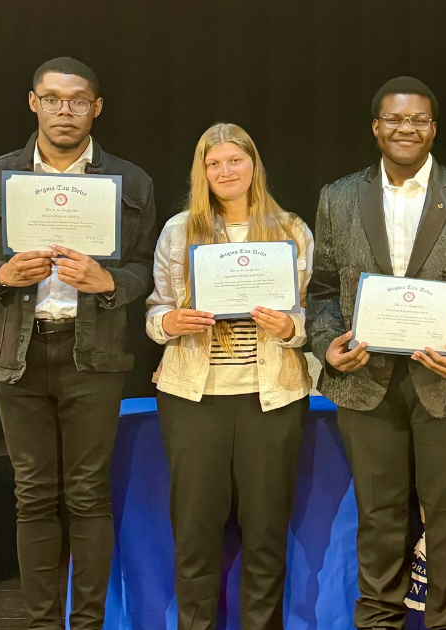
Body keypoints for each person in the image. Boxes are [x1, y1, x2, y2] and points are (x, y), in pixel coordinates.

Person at [0, 57, 156, 630]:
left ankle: (86, 623)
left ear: (96, 108)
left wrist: (112, 281)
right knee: (33, 495)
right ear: (33, 103)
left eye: (77, 100)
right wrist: (0, 276)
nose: (64, 110)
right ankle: (44, 623)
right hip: (16, 355)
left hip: (93, 353)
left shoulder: (131, 181)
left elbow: (148, 269)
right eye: (52, 98)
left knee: (88, 495)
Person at [307, 76, 446, 630]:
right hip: (364, 381)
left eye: (418, 120)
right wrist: (330, 345)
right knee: (378, 519)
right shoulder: (339, 196)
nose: (407, 129)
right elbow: (322, 289)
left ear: (434, 129)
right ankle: (378, 622)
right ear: (376, 127)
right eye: (395, 120)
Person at [144, 123, 312, 630]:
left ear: (253, 165)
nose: (225, 171)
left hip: (272, 395)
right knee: (195, 533)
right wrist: (170, 323)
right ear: (202, 172)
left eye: (234, 161)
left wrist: (289, 326)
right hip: (194, 398)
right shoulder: (179, 230)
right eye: (213, 164)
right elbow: (156, 312)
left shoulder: (290, 229)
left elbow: (312, 314)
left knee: (265, 533)